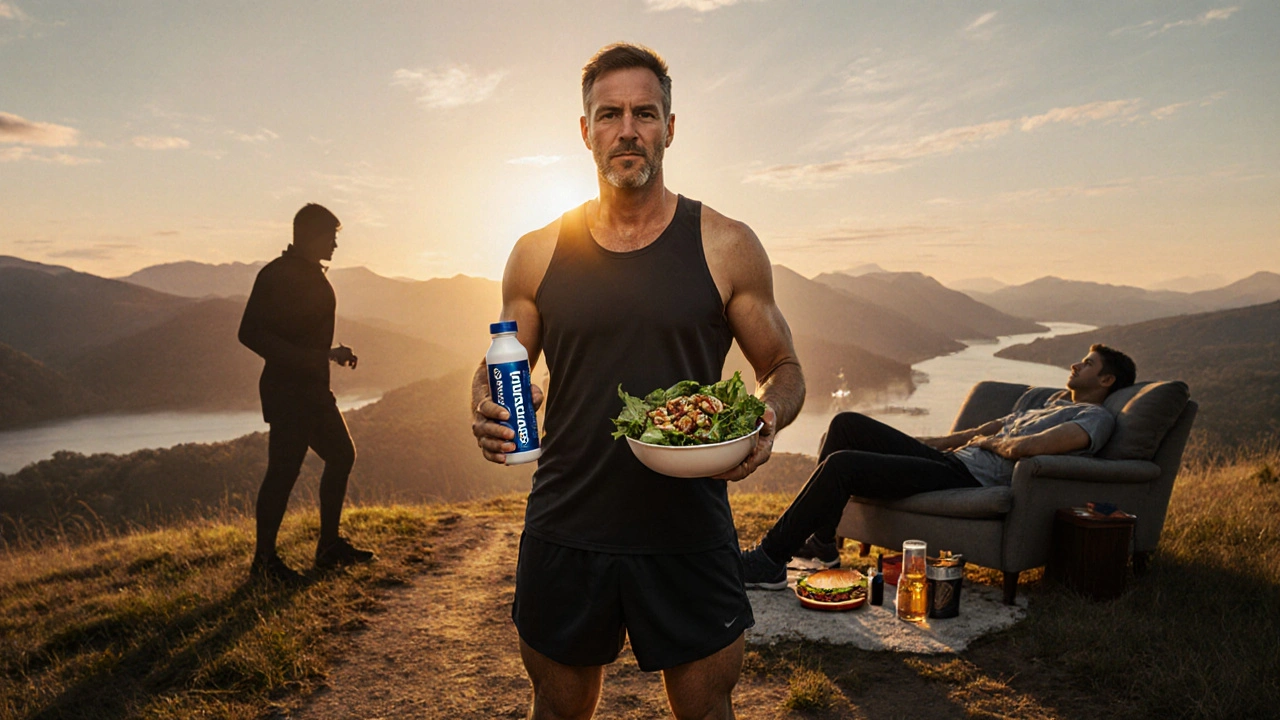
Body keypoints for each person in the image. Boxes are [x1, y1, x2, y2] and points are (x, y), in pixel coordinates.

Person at [470, 43, 805, 720]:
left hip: (689, 528)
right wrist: (483, 397)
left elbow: (784, 369)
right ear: (586, 129)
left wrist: (766, 419)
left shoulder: (726, 244)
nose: (628, 129)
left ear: (670, 128)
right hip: (568, 523)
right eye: (610, 114)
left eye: (645, 113)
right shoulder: (536, 252)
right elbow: (504, 357)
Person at [742, 344, 1136, 588]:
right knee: (846, 424)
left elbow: (1038, 446)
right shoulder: (1052, 404)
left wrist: (993, 444)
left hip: (968, 478)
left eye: (1086, 363)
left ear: (1106, 378)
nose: (1075, 365)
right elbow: (984, 429)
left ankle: (770, 560)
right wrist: (927, 444)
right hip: (950, 461)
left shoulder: (1094, 418)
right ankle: (823, 545)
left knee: (843, 465)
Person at [238, 203, 374, 583]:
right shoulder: (277, 275)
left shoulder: (308, 274)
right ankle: (264, 564)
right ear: (309, 235)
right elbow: (249, 333)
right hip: (288, 393)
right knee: (283, 473)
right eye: (330, 236)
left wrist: (330, 355)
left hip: (312, 390)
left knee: (341, 455)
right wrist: (314, 356)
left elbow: (303, 332)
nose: (334, 243)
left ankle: (328, 547)